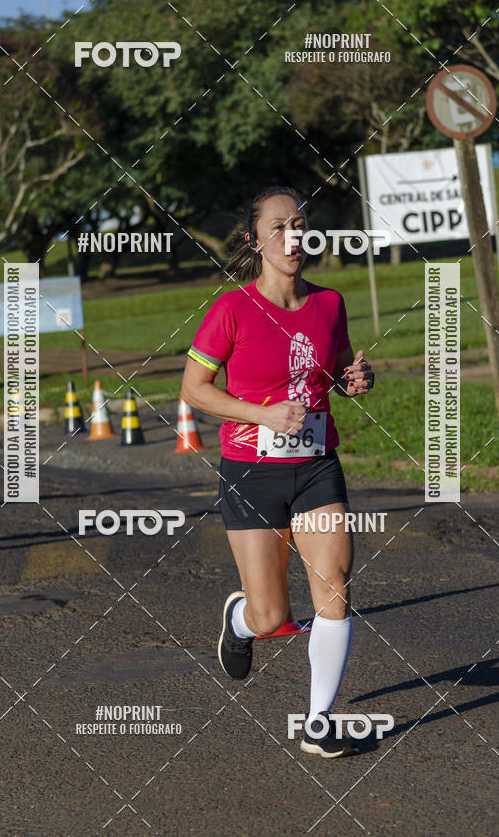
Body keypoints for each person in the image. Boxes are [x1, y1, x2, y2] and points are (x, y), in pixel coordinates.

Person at [181, 186, 374, 758]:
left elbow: (340, 369)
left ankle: (319, 721)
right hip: (251, 473)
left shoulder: (330, 304)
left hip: (316, 466)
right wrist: (261, 413)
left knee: (334, 590)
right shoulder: (232, 309)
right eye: (280, 226)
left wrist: (356, 379)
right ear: (255, 240)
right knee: (272, 617)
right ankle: (241, 621)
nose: (294, 236)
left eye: (301, 224)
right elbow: (194, 391)